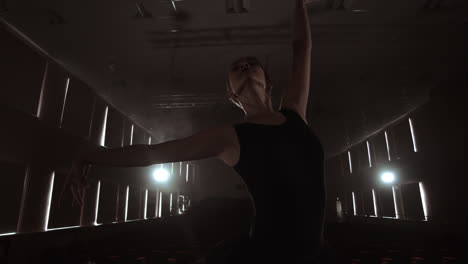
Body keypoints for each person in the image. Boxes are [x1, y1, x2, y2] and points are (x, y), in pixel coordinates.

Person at [62, 0, 324, 263]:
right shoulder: (229, 137)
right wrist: (90, 154)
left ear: (268, 81)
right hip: (267, 255)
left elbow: (302, 50)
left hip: (314, 252)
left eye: (251, 63)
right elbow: (153, 154)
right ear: (231, 94)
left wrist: (299, 5)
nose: (244, 66)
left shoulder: (294, 112)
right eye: (236, 67)